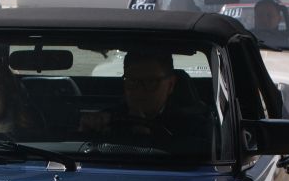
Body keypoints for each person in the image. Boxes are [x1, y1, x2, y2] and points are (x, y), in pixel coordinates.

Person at [79, 50, 210, 150]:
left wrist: (146, 138)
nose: (139, 91)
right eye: (132, 81)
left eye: (151, 82)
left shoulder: (195, 128)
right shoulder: (108, 120)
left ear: (170, 85)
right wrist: (85, 134)